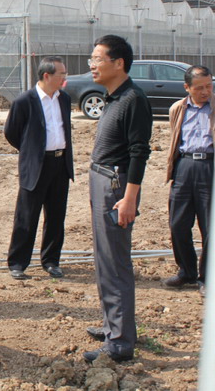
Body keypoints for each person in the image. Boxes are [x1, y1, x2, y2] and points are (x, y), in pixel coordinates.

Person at [84, 35, 152, 363]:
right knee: (103, 259)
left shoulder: (133, 99)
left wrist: (129, 199)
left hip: (116, 188)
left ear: (119, 63)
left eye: (97, 59)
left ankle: (121, 342)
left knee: (115, 262)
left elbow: (140, 152)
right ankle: (114, 325)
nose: (92, 65)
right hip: (102, 180)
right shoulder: (113, 98)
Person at [4, 56, 74, 280]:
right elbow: (12, 132)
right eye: (61, 74)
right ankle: (18, 263)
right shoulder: (25, 101)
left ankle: (51, 261)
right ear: (47, 75)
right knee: (27, 215)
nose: (64, 78)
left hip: (60, 164)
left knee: (56, 216)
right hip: (36, 165)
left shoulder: (64, 99)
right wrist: (31, 151)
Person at [163, 65, 212, 297]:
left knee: (209, 227)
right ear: (187, 87)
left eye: (209, 86)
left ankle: (207, 277)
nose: (205, 92)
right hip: (184, 167)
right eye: (199, 88)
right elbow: (175, 138)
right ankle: (187, 271)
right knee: (178, 224)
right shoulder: (177, 108)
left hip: (210, 167)